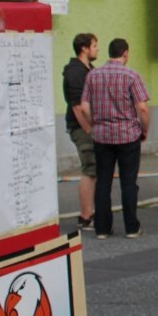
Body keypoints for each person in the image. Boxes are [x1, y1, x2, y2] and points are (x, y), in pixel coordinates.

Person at [76, 38, 150, 239]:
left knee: (103, 182)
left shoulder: (93, 75)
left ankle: (102, 228)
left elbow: (84, 106)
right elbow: (142, 107)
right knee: (128, 182)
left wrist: (94, 125)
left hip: (102, 137)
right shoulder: (131, 75)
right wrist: (144, 129)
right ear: (125, 53)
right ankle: (131, 227)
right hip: (127, 135)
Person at [62, 33, 98, 231]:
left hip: (90, 125)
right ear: (84, 48)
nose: (97, 49)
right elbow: (77, 106)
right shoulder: (75, 71)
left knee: (94, 169)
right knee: (90, 169)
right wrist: (90, 129)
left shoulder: (88, 69)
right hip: (81, 127)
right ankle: (85, 217)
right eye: (94, 45)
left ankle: (91, 212)